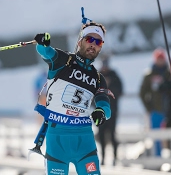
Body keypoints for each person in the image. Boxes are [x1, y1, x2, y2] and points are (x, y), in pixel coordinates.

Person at [33, 22, 113, 175]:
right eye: (90, 39)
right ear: (80, 41)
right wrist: (43, 42)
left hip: (84, 140)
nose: (93, 45)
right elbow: (45, 51)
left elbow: (105, 105)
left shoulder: (97, 78)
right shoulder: (63, 60)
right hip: (57, 139)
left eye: (98, 42)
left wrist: (101, 112)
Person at [139, 48, 169, 156]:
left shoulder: (168, 73)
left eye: (162, 59)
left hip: (169, 109)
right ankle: (157, 157)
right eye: (158, 59)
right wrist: (149, 107)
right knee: (156, 136)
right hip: (156, 110)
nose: (160, 61)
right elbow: (142, 93)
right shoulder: (149, 74)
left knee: (170, 135)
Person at [98, 55, 123, 166]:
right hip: (99, 111)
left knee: (112, 134)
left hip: (112, 110)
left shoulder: (114, 75)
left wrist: (109, 86)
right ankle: (103, 158)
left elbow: (120, 91)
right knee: (101, 134)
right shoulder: (97, 75)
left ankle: (115, 158)